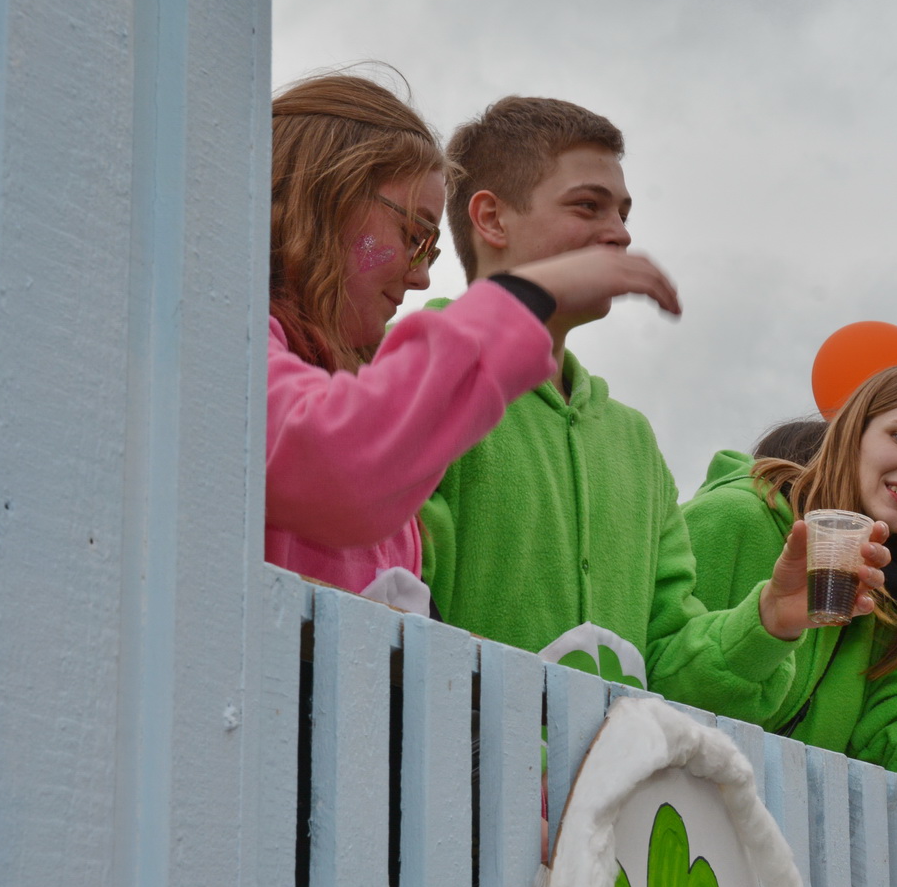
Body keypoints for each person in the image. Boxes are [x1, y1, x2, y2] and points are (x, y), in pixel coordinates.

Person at [417, 96, 888, 718]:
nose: (621, 232)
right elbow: (392, 605)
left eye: (624, 212)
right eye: (588, 205)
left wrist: (770, 617)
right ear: (492, 219)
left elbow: (667, 668)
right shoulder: (418, 373)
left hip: (602, 809)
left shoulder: (633, 441)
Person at [265, 74, 681, 596]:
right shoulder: (218, 337)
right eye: (413, 236)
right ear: (322, 201)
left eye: (430, 251)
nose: (419, 276)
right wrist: (524, 297)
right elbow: (339, 469)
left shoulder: (350, 378)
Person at [682, 367, 897, 792]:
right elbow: (650, 678)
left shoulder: (892, 599)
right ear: (854, 435)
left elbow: (895, 738)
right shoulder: (734, 517)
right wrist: (764, 626)